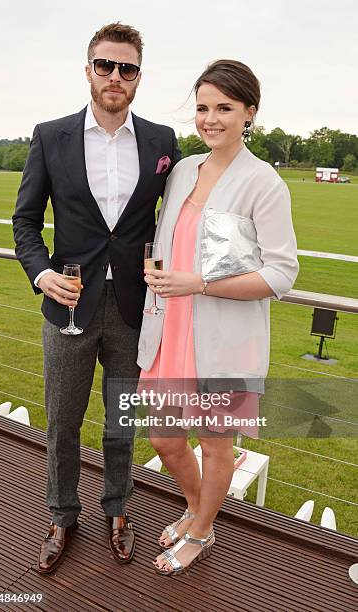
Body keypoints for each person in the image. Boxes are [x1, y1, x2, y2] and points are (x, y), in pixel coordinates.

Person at [12, 22, 181, 572]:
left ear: (138, 77)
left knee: (120, 423)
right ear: (88, 69)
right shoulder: (50, 135)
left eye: (126, 68)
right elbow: (25, 223)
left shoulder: (162, 142)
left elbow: (174, 219)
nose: (115, 76)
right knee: (62, 422)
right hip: (67, 307)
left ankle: (117, 509)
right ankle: (61, 516)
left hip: (135, 310)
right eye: (105, 65)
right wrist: (41, 274)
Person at [137, 59, 299, 575]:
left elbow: (281, 274)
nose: (210, 118)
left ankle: (202, 531)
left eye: (224, 108)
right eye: (203, 107)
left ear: (250, 113)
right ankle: (195, 508)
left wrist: (199, 283)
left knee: (214, 443)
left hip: (224, 338)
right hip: (168, 331)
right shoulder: (185, 169)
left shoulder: (264, 182)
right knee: (164, 439)